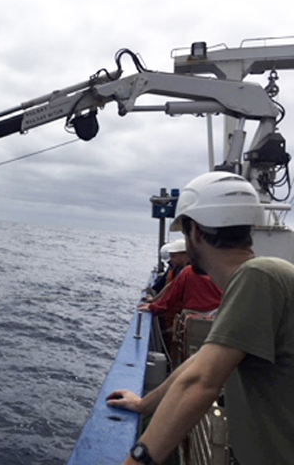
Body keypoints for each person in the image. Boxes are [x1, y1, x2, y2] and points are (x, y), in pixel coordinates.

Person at [106, 171, 294, 464]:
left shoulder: (259, 277)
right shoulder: (258, 279)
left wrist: (136, 459)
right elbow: (199, 363)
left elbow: (200, 381)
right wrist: (145, 404)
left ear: (193, 231)